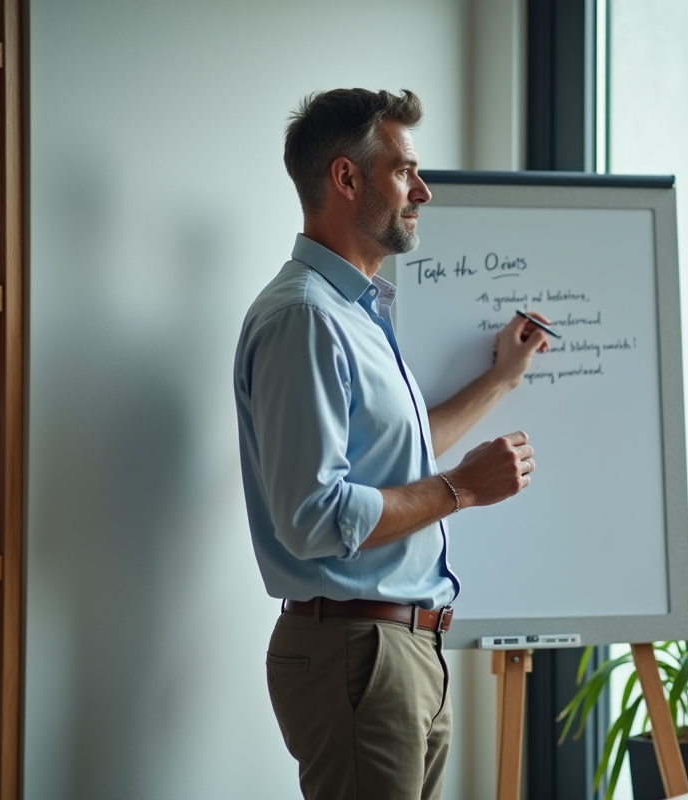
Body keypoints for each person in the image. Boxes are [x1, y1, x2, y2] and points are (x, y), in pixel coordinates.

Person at [233, 88, 550, 800]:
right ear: (347, 179)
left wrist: (499, 381)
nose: (424, 191)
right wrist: (463, 490)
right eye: (406, 171)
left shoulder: (356, 314)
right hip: (360, 652)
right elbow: (314, 516)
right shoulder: (306, 320)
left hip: (398, 650)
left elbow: (402, 452)